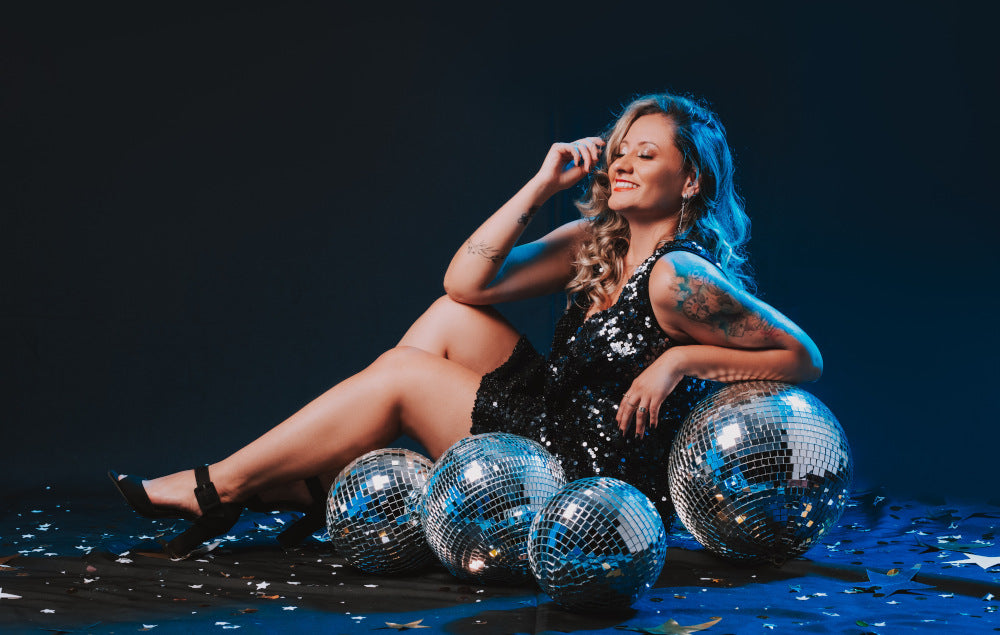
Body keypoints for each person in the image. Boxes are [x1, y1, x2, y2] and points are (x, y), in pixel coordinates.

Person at [111, 92, 823, 559]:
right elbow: (465, 281)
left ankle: (223, 485)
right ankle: (308, 481)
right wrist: (542, 185)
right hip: (558, 413)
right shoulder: (597, 245)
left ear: (690, 180)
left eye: (647, 152)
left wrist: (678, 362)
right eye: (620, 148)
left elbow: (803, 357)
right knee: (450, 317)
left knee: (400, 373)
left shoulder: (679, 275)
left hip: (588, 472)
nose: (622, 161)